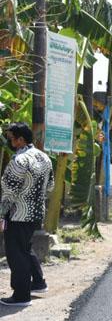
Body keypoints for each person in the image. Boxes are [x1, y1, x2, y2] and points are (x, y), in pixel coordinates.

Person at [0, 123, 54, 307]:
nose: (9, 141)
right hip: (37, 213)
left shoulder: (19, 161)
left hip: (17, 214)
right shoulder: (45, 157)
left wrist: (1, 215)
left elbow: (9, 192)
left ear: (20, 139)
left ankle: (21, 296)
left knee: (16, 253)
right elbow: (50, 186)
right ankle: (38, 283)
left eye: (11, 138)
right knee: (25, 248)